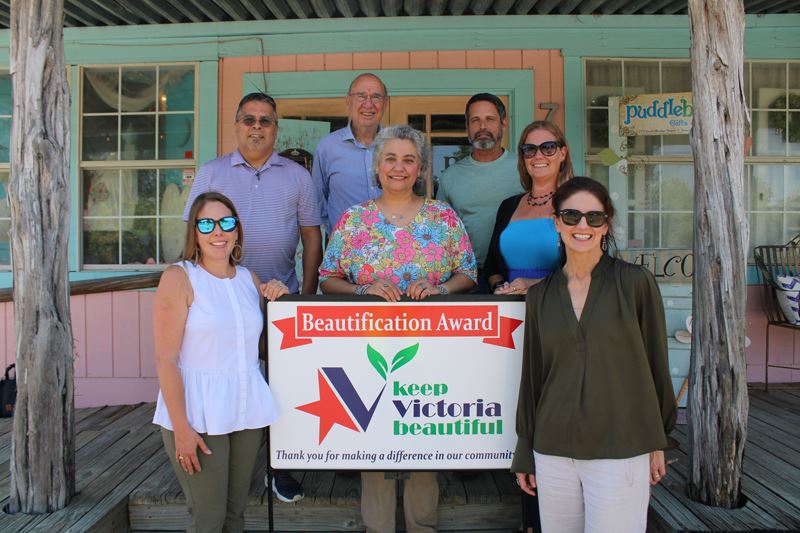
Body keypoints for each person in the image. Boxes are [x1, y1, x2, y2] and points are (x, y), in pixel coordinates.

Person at [319, 125, 477, 532]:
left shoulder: (442, 217)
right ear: (377, 165)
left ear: (421, 167)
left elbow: (468, 273)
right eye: (390, 158)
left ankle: (423, 526)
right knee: (374, 446)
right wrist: (362, 289)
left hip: (432, 353)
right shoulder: (355, 221)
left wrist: (440, 288)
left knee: (424, 444)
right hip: (367, 353)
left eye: (409, 159)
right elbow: (328, 277)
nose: (399, 167)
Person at [512, 177, 677, 533]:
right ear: (556, 222)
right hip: (553, 450)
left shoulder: (635, 284)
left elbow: (655, 367)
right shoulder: (541, 296)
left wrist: (656, 440)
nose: (582, 226)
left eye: (593, 217)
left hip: (620, 447)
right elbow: (533, 376)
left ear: (607, 223)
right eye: (571, 216)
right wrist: (526, 447)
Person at [183, 92, 320, 502]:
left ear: (276, 128)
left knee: (282, 383)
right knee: (233, 377)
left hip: (280, 294)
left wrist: (306, 295)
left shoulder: (297, 176)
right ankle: (225, 464)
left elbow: (312, 236)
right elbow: (194, 234)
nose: (257, 127)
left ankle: (281, 467)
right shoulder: (211, 173)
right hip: (223, 296)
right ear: (236, 125)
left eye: (266, 121)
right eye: (249, 119)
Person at [153, 192, 290, 532]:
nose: (219, 231)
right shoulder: (179, 277)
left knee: (234, 515)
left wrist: (281, 304)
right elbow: (165, 359)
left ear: (237, 230)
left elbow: (258, 347)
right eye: (207, 223)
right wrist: (182, 429)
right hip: (198, 412)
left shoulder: (248, 280)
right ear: (194, 233)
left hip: (245, 409)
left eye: (227, 222)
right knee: (208, 518)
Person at [436, 93, 523, 291]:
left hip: (515, 276)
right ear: (467, 127)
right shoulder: (451, 177)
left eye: (489, 119)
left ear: (503, 123)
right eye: (475, 120)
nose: (482, 127)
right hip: (466, 279)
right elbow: (442, 235)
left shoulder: (525, 169)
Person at [485, 121, 574, 297]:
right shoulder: (508, 206)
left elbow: (587, 270)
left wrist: (532, 284)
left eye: (548, 148)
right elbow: (491, 265)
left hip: (559, 305)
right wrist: (500, 285)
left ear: (562, 153)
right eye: (530, 149)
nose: (538, 156)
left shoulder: (575, 205)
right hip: (510, 309)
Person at [312, 73, 389, 236]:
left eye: (376, 97)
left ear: (385, 103)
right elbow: (318, 205)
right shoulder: (327, 147)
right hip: (344, 251)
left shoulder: (397, 146)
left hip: (393, 251)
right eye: (361, 96)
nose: (368, 104)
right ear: (348, 100)